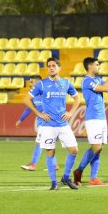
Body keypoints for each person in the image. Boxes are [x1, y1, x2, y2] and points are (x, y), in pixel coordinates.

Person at [24, 57, 80, 190]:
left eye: (53, 65)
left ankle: (66, 177)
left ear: (59, 68)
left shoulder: (66, 83)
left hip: (63, 124)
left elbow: (77, 98)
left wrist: (71, 112)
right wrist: (40, 114)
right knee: (50, 153)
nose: (51, 68)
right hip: (48, 125)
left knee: (74, 150)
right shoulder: (42, 84)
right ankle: (54, 183)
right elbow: (27, 100)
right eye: (49, 66)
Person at [73, 57, 108, 186]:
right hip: (93, 118)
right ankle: (79, 170)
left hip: (101, 117)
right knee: (96, 147)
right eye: (97, 64)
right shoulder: (87, 81)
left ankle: (93, 178)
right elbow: (105, 88)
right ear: (90, 66)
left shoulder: (97, 79)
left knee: (99, 148)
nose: (99, 67)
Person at [17, 75, 59, 171]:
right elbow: (29, 108)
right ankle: (54, 164)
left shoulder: (46, 91)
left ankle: (33, 164)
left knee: (39, 143)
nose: (30, 84)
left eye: (31, 82)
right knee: (47, 143)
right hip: (41, 121)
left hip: (47, 121)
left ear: (37, 82)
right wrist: (20, 120)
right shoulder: (33, 95)